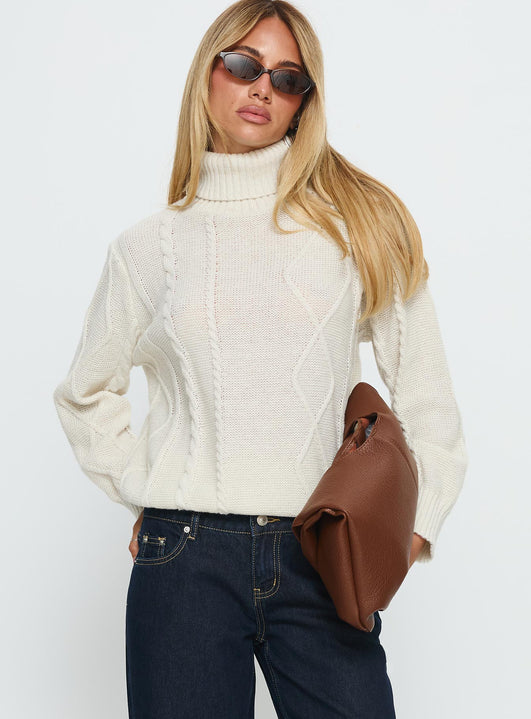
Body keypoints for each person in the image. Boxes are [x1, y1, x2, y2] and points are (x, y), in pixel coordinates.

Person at [52, 1, 468, 717]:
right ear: (207, 73)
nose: (261, 88)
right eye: (243, 65)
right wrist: (143, 487)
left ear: (304, 102)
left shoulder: (358, 228)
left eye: (287, 78)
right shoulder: (148, 248)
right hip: (184, 556)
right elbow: (85, 392)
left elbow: (426, 398)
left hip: (319, 553)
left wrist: (411, 528)